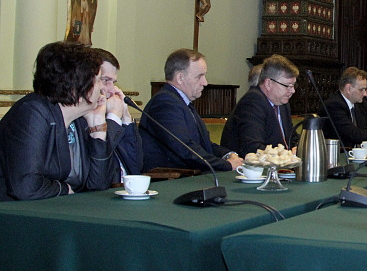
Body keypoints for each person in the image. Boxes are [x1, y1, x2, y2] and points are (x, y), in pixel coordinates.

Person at [0, 42, 118, 200]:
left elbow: (99, 185)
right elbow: (26, 187)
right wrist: (63, 189)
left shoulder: (81, 118)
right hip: (14, 210)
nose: (102, 88)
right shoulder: (32, 113)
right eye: (98, 80)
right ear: (77, 86)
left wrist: (98, 130)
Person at [140, 49, 242, 172]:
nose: (205, 83)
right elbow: (185, 149)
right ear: (180, 78)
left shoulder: (181, 102)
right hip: (174, 178)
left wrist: (228, 155)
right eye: (199, 76)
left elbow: (204, 145)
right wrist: (227, 165)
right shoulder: (165, 103)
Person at [221, 55, 299, 156]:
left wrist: (300, 147)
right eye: (288, 85)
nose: (293, 91)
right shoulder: (252, 102)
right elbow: (252, 148)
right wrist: (287, 155)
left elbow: (292, 138)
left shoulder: (282, 104)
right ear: (268, 84)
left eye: (293, 85)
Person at [94, 48, 143, 180]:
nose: (112, 90)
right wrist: (114, 117)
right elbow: (102, 164)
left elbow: (136, 165)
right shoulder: (87, 118)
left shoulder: (112, 113)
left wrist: (126, 116)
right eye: (105, 80)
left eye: (114, 82)